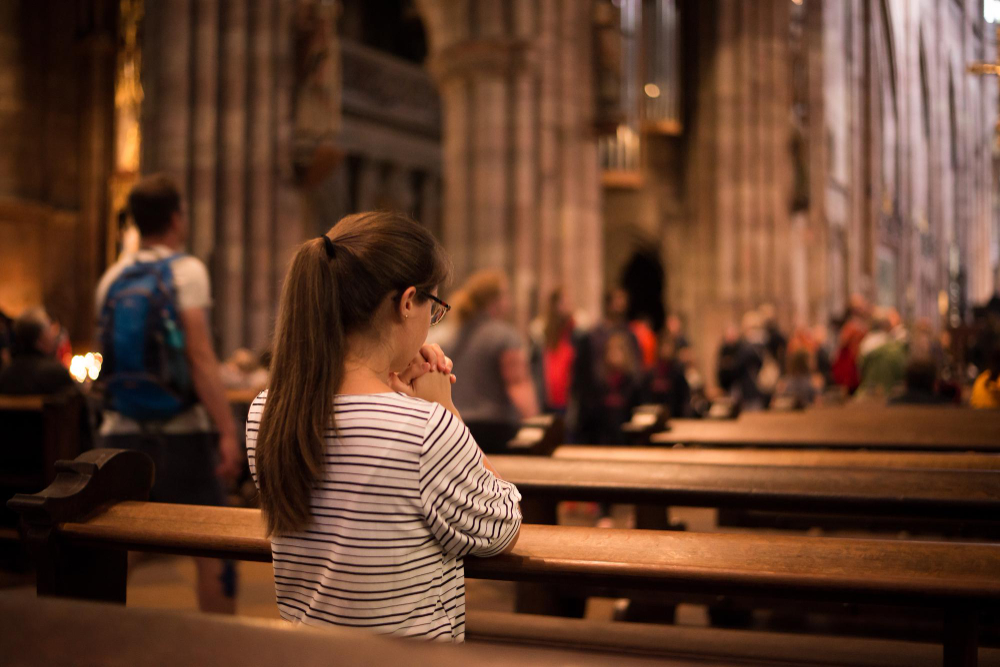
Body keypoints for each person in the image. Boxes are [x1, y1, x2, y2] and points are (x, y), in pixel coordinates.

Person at [247, 212, 521, 641]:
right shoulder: (424, 429)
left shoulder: (267, 411)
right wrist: (443, 408)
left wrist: (402, 402)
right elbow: (502, 526)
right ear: (408, 301)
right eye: (434, 307)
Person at [95, 174, 240, 613]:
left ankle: (88, 632)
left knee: (122, 539)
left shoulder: (111, 278)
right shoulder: (185, 271)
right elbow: (199, 356)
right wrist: (226, 430)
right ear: (177, 219)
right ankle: (221, 648)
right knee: (214, 545)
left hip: (119, 433)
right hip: (181, 435)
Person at [443, 270, 539, 452]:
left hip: (459, 428)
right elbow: (518, 384)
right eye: (506, 294)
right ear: (495, 300)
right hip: (496, 429)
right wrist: (536, 425)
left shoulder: (452, 338)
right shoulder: (504, 336)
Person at [0, 308, 78, 395]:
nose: (54, 336)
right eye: (50, 330)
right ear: (39, 340)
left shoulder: (5, 376)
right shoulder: (55, 374)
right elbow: (79, 404)